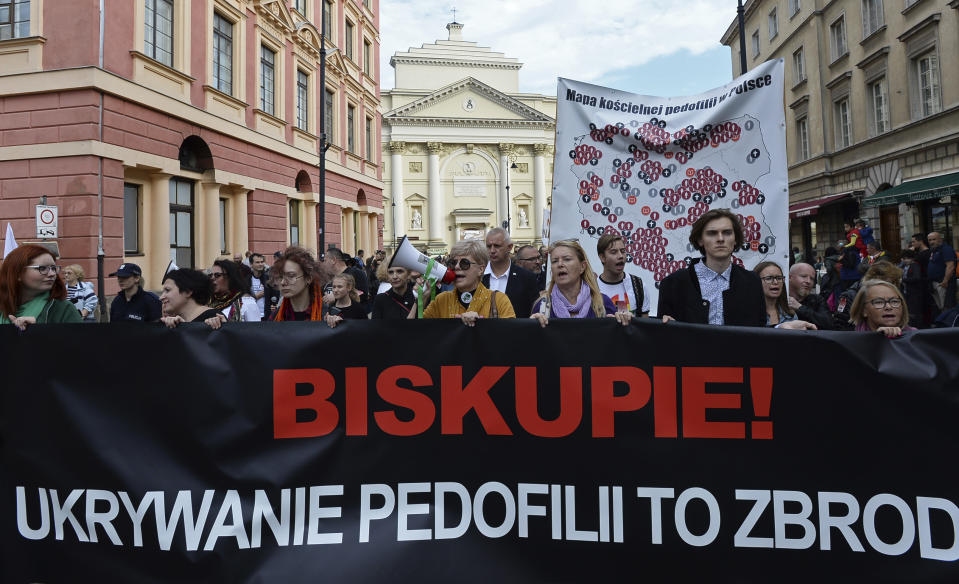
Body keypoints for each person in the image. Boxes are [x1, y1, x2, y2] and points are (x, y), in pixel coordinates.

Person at [658, 209, 767, 327]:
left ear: (735, 239)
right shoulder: (673, 283)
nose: (720, 239)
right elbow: (663, 334)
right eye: (712, 233)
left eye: (727, 232)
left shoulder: (752, 282)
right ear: (700, 240)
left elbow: (759, 330)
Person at [531, 239, 631, 327]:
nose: (560, 264)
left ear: (582, 267)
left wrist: (625, 321)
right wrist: (531, 329)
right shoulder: (542, 307)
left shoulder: (603, 303)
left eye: (567, 259)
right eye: (555, 261)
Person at [418, 239, 515, 325]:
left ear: (481, 269)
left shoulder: (499, 300)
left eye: (464, 263)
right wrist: (420, 299)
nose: (456, 267)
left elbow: (511, 337)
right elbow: (416, 332)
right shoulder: (441, 300)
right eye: (453, 263)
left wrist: (481, 325)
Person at [0, 244, 82, 330]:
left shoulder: (63, 309)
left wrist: (39, 331)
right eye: (42, 268)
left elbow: (80, 341)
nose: (52, 274)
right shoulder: (3, 306)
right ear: (18, 273)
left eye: (53, 268)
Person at [482, 227, 540, 318]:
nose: (492, 251)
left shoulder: (527, 278)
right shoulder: (478, 275)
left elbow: (535, 311)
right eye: (489, 246)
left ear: (509, 247)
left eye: (497, 246)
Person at [833, 260, 901, 330]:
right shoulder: (849, 296)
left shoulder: (894, 296)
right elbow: (840, 323)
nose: (891, 287)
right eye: (886, 284)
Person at [268, 247, 328, 322]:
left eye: (291, 276)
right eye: (280, 277)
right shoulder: (276, 317)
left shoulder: (326, 316)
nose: (283, 282)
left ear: (308, 278)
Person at [596, 233, 649, 317]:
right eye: (614, 252)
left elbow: (645, 325)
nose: (620, 256)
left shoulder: (638, 285)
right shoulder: (592, 287)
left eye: (623, 251)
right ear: (602, 257)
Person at [849, 279, 914, 338]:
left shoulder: (916, 338)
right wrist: (877, 338)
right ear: (863, 310)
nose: (889, 307)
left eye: (894, 301)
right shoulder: (851, 342)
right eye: (879, 302)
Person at [787, 262, 832, 329]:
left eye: (812, 279)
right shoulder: (779, 299)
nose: (808, 281)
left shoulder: (817, 300)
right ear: (790, 277)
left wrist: (800, 308)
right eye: (803, 276)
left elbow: (828, 324)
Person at [753, 262, 797, 327]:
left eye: (779, 278)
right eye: (769, 278)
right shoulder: (748, 313)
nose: (775, 282)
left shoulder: (790, 314)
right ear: (756, 281)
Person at [926, 231, 956, 314]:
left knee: (947, 306)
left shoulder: (946, 249)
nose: (931, 242)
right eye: (929, 240)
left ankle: (950, 326)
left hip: (943, 283)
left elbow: (950, 266)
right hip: (935, 283)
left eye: (934, 239)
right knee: (940, 307)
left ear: (940, 239)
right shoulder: (934, 250)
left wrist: (945, 281)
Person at [899, 249, 925, 329]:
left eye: (907, 258)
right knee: (908, 311)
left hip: (914, 292)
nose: (905, 260)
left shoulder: (915, 265)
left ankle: (918, 328)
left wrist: (903, 280)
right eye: (904, 259)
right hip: (905, 292)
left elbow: (916, 278)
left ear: (912, 258)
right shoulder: (904, 266)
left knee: (915, 312)